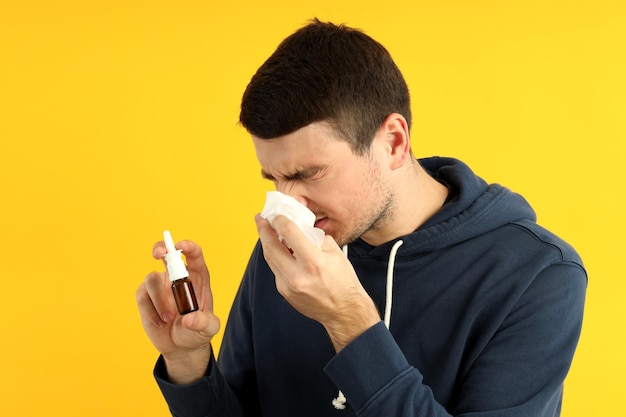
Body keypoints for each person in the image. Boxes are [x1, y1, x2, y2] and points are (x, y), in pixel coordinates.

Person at [136, 19, 587, 417]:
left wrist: (350, 324)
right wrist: (189, 364)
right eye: (273, 179)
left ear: (393, 142)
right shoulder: (288, 249)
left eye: (308, 174)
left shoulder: (538, 276)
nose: (289, 204)